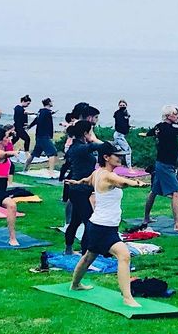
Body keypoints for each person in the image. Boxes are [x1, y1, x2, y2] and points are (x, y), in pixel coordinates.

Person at [68, 143, 148, 308]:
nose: (119, 157)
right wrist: (138, 183)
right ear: (106, 157)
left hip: (100, 225)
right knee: (124, 255)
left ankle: (75, 284)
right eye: (116, 155)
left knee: (89, 257)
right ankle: (127, 298)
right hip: (102, 227)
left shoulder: (97, 173)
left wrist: (77, 182)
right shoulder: (107, 175)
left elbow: (88, 180)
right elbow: (121, 181)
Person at [140, 106, 178, 233]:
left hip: (161, 163)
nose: (177, 116)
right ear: (168, 116)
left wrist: (145, 134)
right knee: (176, 192)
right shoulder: (170, 128)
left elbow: (152, 132)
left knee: (154, 191)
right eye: (175, 114)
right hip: (165, 166)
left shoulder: (159, 126)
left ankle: (146, 219)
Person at [59, 120, 102, 256]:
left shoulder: (80, 146)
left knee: (76, 221)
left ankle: (69, 249)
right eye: (90, 131)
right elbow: (106, 146)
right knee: (89, 221)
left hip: (82, 190)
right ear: (85, 133)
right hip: (78, 191)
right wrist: (93, 139)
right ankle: (85, 254)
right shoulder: (79, 148)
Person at [24, 97, 57, 174]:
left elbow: (36, 120)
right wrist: (49, 113)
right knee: (52, 153)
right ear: (49, 103)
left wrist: (29, 126)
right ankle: (51, 172)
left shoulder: (41, 111)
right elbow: (39, 120)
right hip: (43, 136)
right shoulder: (46, 112)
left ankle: (25, 168)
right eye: (51, 102)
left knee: (34, 154)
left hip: (40, 136)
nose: (52, 103)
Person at [112, 100, 133, 167]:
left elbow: (125, 123)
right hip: (119, 135)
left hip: (120, 135)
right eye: (121, 105)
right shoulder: (118, 113)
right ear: (118, 106)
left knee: (115, 150)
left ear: (126, 106)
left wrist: (129, 126)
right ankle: (129, 167)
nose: (122, 107)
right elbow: (120, 123)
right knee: (128, 150)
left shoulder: (125, 113)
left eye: (123, 105)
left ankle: (115, 163)